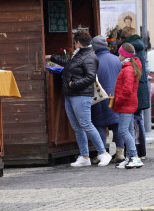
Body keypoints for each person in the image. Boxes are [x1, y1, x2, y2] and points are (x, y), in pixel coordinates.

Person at [47, 29, 112, 167]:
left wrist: (73, 84)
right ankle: (85, 156)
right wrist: (52, 57)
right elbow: (69, 63)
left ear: (77, 43)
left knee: (86, 124)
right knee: (78, 127)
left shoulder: (89, 56)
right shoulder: (80, 54)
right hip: (71, 95)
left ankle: (103, 153)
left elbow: (90, 77)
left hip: (81, 95)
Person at [90, 35, 125, 163]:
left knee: (100, 125)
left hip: (100, 98)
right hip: (115, 97)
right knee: (117, 125)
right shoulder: (117, 60)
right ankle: (120, 152)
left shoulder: (93, 61)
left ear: (94, 48)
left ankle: (102, 154)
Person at [112, 43, 144, 169]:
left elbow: (127, 90)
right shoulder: (129, 67)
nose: (118, 55)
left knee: (123, 130)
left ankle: (135, 157)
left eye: (119, 53)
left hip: (126, 104)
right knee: (129, 130)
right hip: (129, 103)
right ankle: (130, 157)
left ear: (124, 55)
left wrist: (118, 100)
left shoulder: (128, 69)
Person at [121, 24, 150, 158]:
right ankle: (140, 151)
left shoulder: (128, 49)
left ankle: (135, 152)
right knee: (138, 120)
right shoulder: (140, 46)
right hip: (141, 88)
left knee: (133, 122)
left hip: (135, 90)